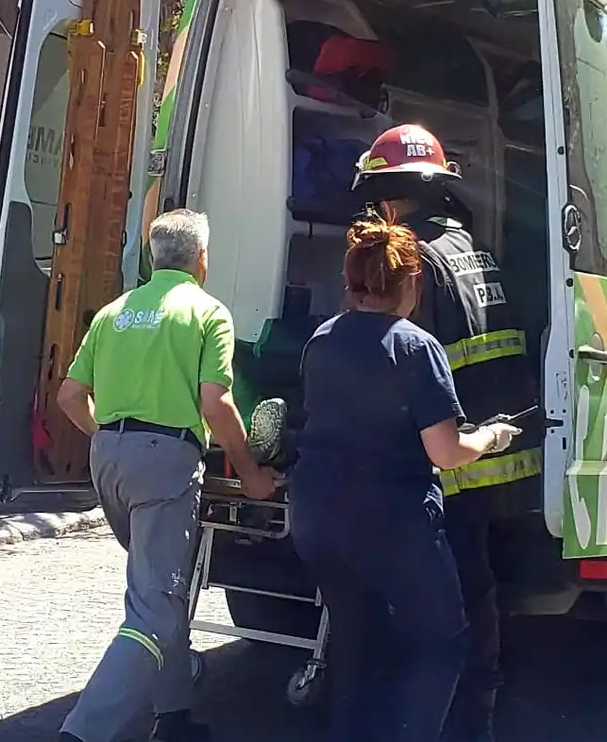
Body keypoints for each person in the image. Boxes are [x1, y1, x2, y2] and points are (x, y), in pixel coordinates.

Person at [56, 209, 281, 742]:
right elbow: (216, 403)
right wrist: (249, 472)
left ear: (153, 256)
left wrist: (111, 441)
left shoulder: (113, 313)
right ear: (202, 259)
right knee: (154, 606)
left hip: (108, 455)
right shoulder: (206, 312)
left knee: (160, 584)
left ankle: (174, 713)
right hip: (165, 459)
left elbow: (69, 396)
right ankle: (81, 733)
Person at [291, 216, 518, 742]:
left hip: (319, 518)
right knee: (442, 641)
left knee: (356, 642)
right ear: (411, 283)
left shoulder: (320, 340)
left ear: (350, 283)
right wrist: (490, 437)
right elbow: (445, 451)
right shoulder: (416, 347)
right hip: (391, 523)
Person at [352, 122, 541, 742]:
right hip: (488, 450)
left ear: (387, 198)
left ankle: (444, 715)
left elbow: (395, 361)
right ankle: (477, 712)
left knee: (437, 603)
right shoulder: (472, 247)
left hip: (443, 462)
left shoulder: (415, 263)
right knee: (475, 583)